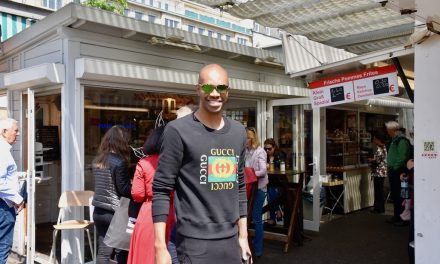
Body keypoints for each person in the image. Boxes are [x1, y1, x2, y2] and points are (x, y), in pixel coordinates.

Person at [152, 64, 252, 264]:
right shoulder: (177, 131)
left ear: (228, 91)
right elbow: (162, 189)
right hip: (192, 243)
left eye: (221, 88)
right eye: (208, 88)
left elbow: (239, 186)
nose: (215, 93)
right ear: (198, 89)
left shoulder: (238, 132)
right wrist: (160, 247)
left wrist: (243, 237)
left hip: (230, 242)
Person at [128, 127, 175, 264]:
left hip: (149, 212)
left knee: (145, 255)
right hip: (173, 212)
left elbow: (137, 194)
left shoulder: (144, 163)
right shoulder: (177, 162)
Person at [92, 125, 132, 264]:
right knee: (122, 251)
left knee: (103, 252)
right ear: (122, 142)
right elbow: (124, 190)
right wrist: (136, 186)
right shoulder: (119, 162)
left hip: (98, 211)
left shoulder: (97, 161)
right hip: (115, 213)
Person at [0, 118, 24, 264]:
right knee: (3, 247)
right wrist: (18, 198)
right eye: (15, 130)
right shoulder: (2, 152)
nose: (18, 133)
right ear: (4, 132)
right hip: (3, 206)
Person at [245, 127, 268, 258]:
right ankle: (249, 244)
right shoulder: (246, 151)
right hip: (249, 188)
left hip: (258, 189)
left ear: (252, 139)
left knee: (256, 218)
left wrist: (249, 174)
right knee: (247, 217)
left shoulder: (260, 152)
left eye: (246, 138)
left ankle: (258, 249)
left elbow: (263, 171)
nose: (244, 140)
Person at [385, 121, 411, 226]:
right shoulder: (395, 140)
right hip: (394, 171)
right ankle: (397, 216)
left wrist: (395, 168)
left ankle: (402, 217)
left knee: (401, 194)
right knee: (395, 194)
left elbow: (402, 157)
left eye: (388, 130)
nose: (388, 133)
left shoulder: (401, 141)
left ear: (393, 130)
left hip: (399, 171)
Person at [263, 138, 285, 226]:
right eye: (265, 149)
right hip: (270, 180)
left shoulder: (280, 154)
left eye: (269, 149)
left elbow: (280, 167)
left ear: (274, 147)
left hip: (279, 181)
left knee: (272, 195)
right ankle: (278, 212)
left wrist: (269, 165)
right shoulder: (265, 155)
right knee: (270, 197)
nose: (267, 151)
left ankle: (273, 217)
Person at [369, 131, 388, 214]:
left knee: (378, 190)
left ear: (377, 139)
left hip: (379, 172)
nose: (373, 140)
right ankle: (381, 208)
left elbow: (377, 161)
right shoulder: (384, 147)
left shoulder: (379, 149)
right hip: (383, 171)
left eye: (374, 138)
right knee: (380, 190)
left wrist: (370, 160)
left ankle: (378, 208)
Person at [401, 159, 415, 264]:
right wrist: (406, 175)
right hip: (415, 202)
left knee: (414, 236)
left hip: (419, 204)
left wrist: (412, 169)